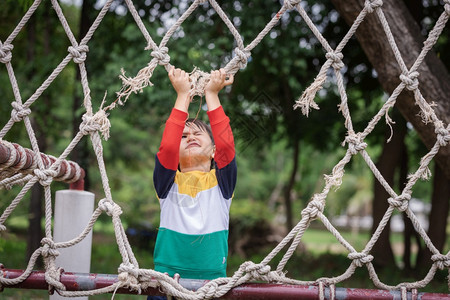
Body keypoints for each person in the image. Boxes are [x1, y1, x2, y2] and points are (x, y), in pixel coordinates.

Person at [150, 67, 236, 298]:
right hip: (165, 282)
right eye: (184, 136)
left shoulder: (222, 184)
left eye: (198, 134)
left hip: (211, 283)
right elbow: (167, 147)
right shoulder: (167, 184)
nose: (190, 138)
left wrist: (212, 95)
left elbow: (227, 147)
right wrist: (182, 96)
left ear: (213, 152)